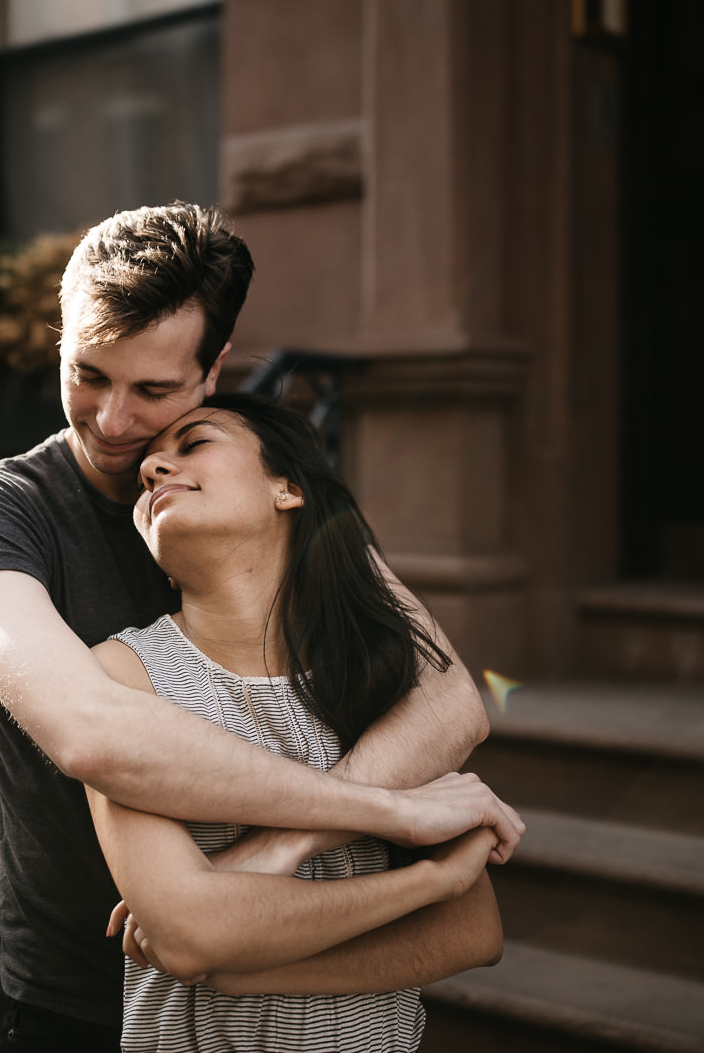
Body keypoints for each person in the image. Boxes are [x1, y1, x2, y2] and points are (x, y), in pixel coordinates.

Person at [0, 204, 521, 1052]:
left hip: (320, 982)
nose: (111, 422)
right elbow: (94, 734)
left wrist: (270, 859)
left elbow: (448, 700)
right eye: (88, 374)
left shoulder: (256, 479)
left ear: (211, 373)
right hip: (85, 993)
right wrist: (389, 812)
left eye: (154, 391)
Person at [89, 392, 506, 1051]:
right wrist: (431, 880)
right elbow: (193, 936)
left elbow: (471, 932)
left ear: (287, 489)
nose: (152, 470)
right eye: (145, 471)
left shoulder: (375, 674)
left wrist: (261, 970)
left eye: (193, 444)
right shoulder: (121, 675)